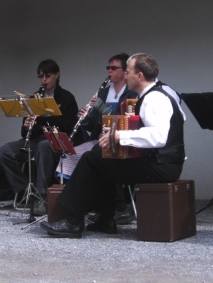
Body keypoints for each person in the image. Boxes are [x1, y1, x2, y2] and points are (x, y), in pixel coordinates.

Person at [40, 53, 186, 238]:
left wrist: (119, 136)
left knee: (91, 159)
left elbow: (159, 137)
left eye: (128, 72)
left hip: (161, 166)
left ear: (139, 76)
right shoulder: (153, 95)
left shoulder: (155, 98)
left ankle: (73, 221)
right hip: (157, 162)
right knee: (101, 158)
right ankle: (105, 220)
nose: (126, 76)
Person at [0, 59, 78, 209]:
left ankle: (41, 196)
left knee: (43, 146)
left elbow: (70, 126)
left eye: (47, 76)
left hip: (55, 141)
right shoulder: (34, 98)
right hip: (35, 140)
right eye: (41, 76)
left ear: (57, 75)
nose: (44, 80)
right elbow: (23, 132)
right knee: (3, 152)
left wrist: (46, 116)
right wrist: (27, 126)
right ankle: (24, 190)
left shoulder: (66, 98)